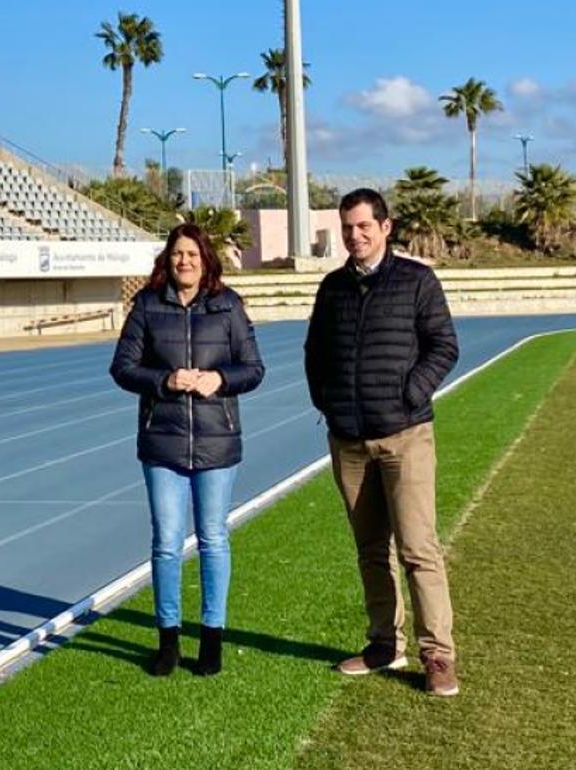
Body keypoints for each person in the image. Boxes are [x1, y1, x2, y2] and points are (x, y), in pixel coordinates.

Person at [304, 188, 461, 697]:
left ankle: (437, 655)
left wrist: (409, 393)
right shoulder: (332, 289)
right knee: (370, 550)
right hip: (348, 441)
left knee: (418, 548)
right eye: (348, 227)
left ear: (385, 227)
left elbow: (444, 346)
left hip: (405, 436)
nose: (355, 236)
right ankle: (383, 645)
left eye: (364, 226)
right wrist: (328, 403)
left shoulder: (417, 281)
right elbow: (315, 353)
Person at [110, 223, 265, 676]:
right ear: (168, 259)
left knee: (213, 539)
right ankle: (168, 641)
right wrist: (163, 380)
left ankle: (212, 639)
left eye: (193, 254)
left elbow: (254, 369)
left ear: (205, 260)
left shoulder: (228, 306)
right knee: (166, 542)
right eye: (178, 254)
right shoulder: (146, 305)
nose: (185, 262)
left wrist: (221, 379)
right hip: (163, 443)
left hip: (218, 441)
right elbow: (122, 367)